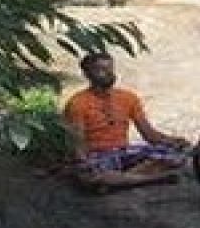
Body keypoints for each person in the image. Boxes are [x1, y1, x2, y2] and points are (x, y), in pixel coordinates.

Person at [61, 51, 190, 192]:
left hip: (125, 152)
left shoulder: (128, 97)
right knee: (90, 176)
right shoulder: (77, 103)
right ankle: (153, 179)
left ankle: (119, 181)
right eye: (101, 70)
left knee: (177, 156)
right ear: (87, 74)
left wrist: (173, 141)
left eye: (110, 68)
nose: (108, 73)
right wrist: (83, 162)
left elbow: (149, 135)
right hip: (98, 154)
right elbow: (77, 142)